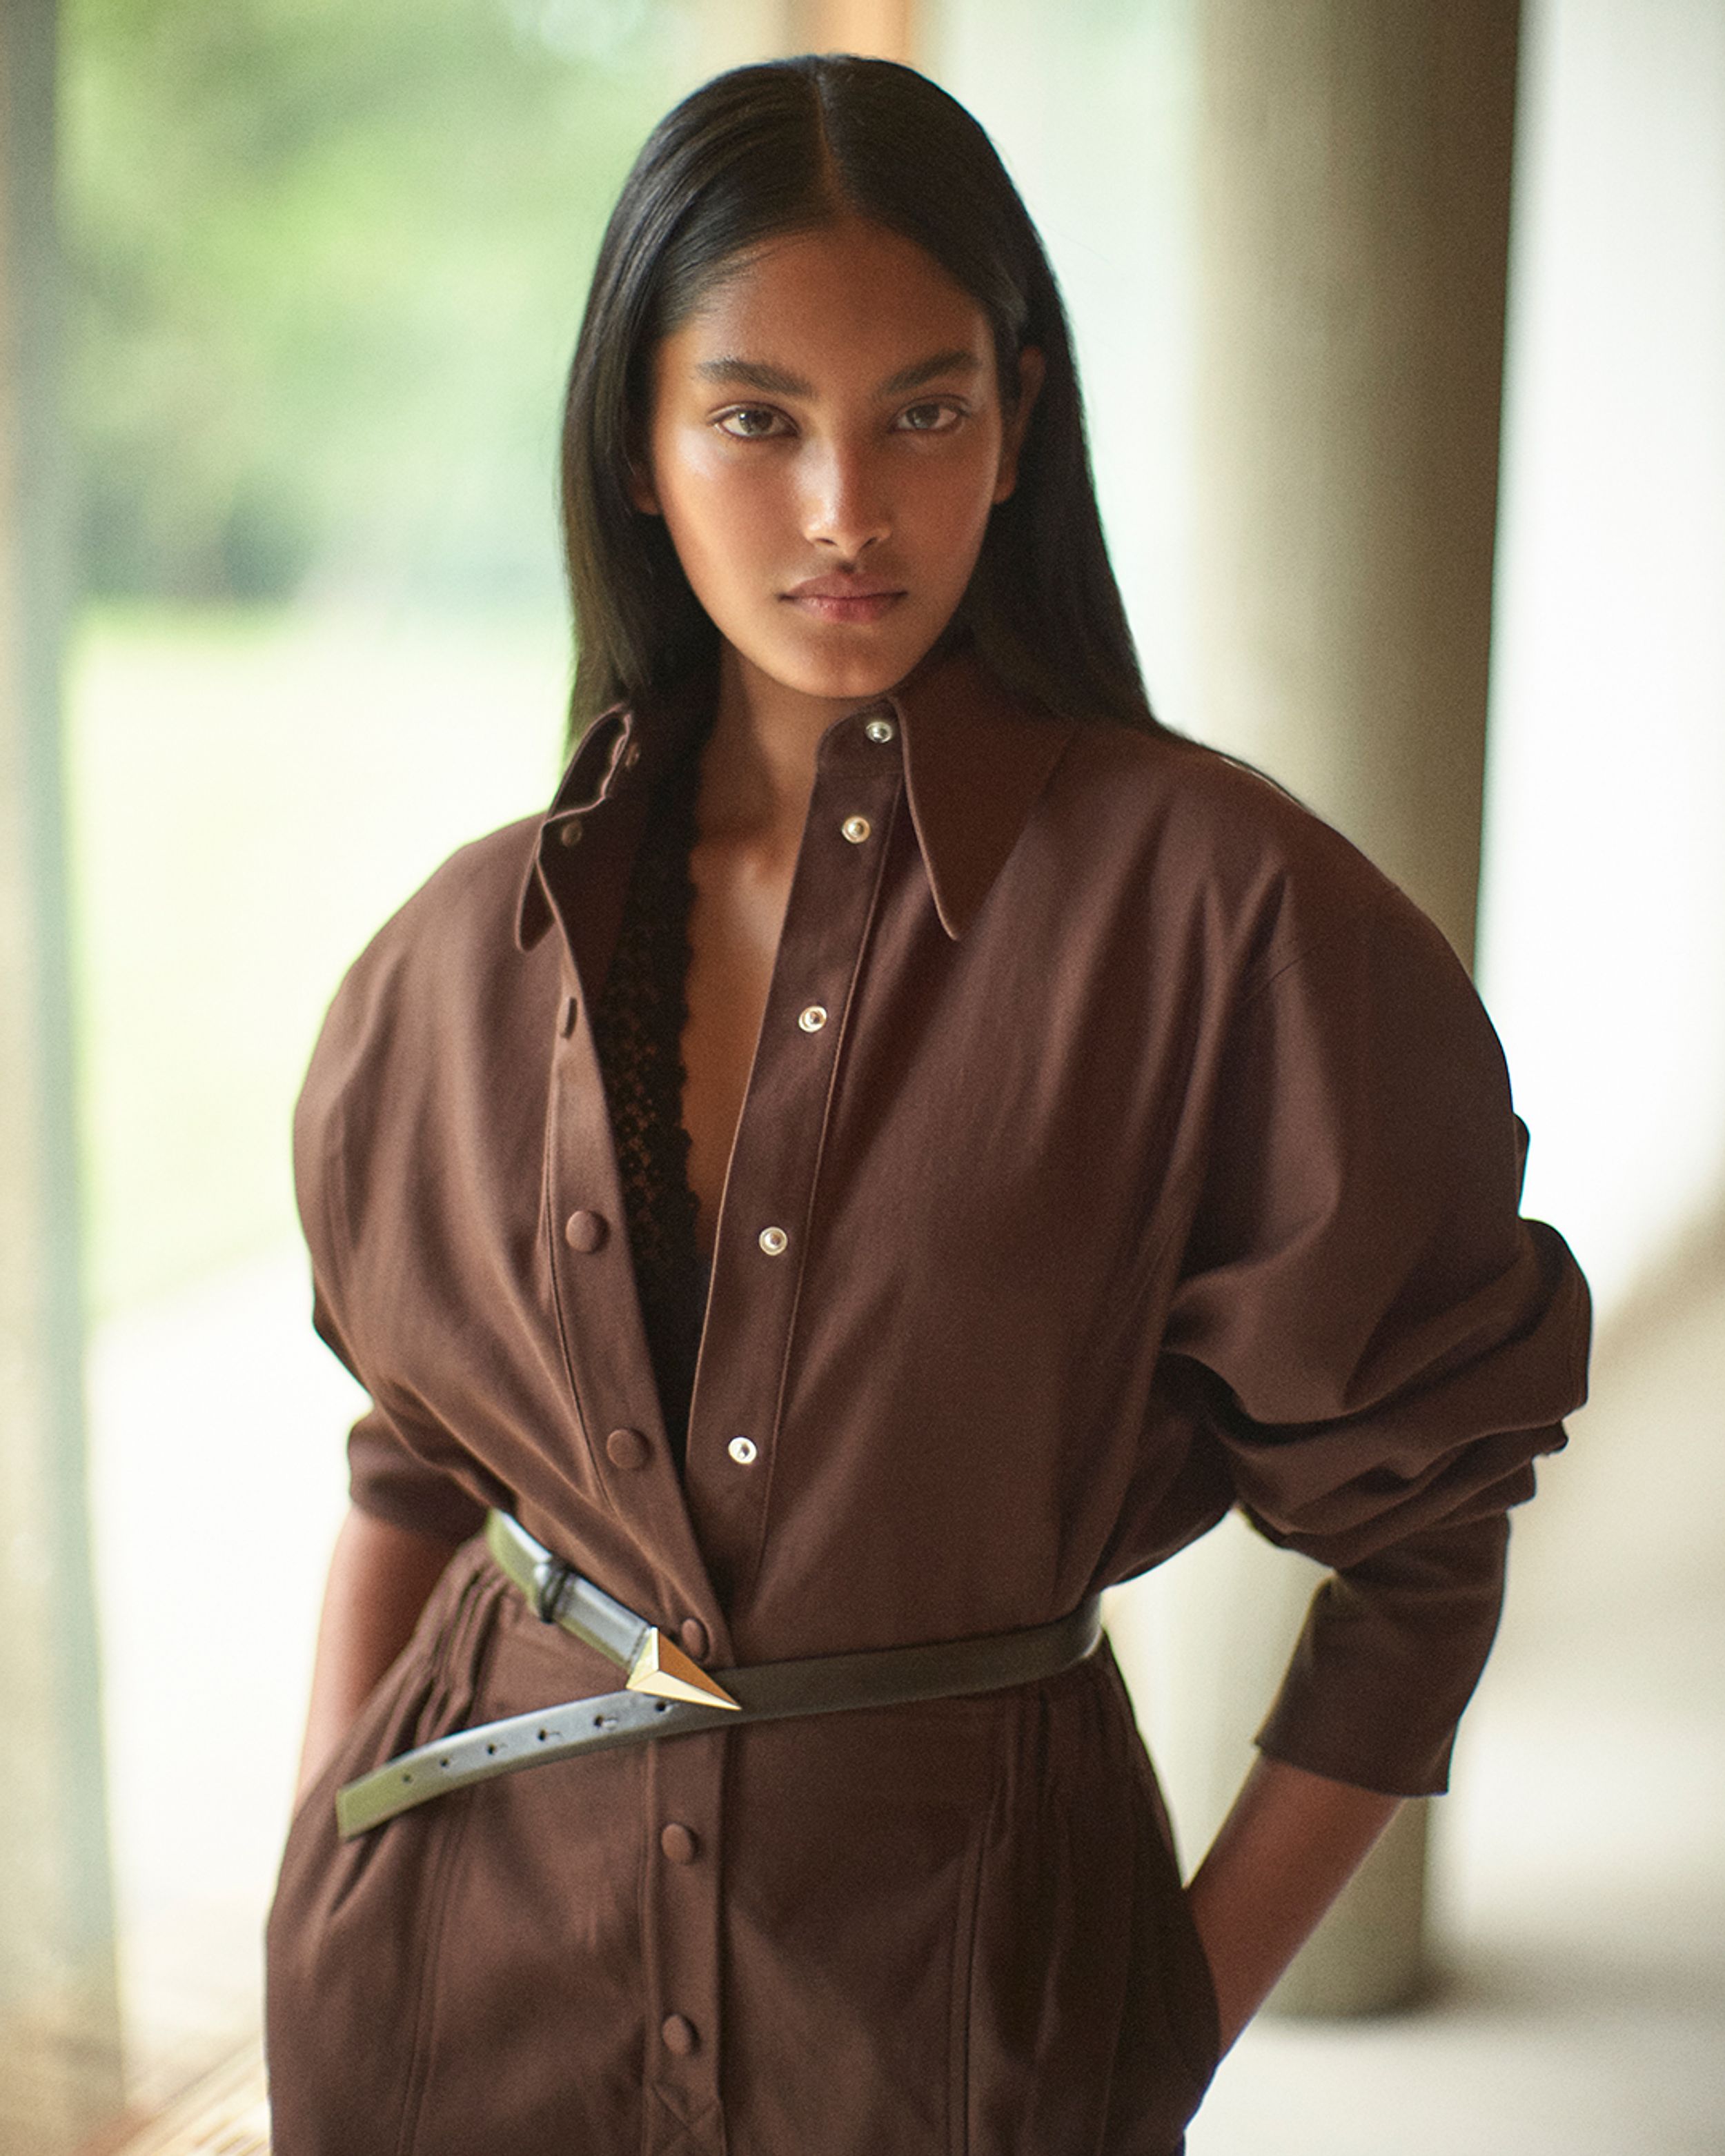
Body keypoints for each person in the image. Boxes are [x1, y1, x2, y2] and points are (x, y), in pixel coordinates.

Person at [265, 52, 1590, 2156]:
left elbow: (1422, 1549)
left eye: (923, 411)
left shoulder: (1232, 923)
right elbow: (413, 1469)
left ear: (1022, 420)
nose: (845, 514)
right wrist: (318, 1893)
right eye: (753, 418)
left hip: (960, 2041)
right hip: (450, 2010)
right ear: (633, 444)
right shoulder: (457, 954)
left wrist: (1163, 2021)